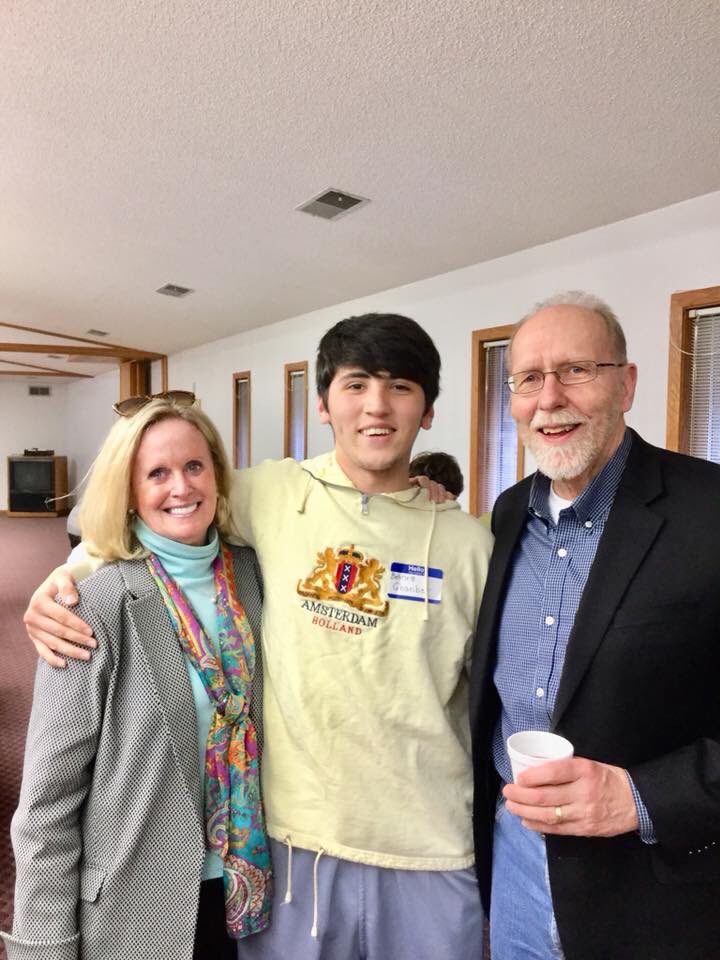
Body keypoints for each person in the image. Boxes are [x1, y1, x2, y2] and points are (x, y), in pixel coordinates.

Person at [22, 313, 494, 960]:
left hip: (412, 849)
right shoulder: (272, 495)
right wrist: (63, 579)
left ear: (429, 407)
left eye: (401, 387)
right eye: (356, 385)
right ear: (325, 404)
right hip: (285, 853)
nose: (377, 406)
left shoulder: (468, 543)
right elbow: (156, 512)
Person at [469, 291, 720, 960]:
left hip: (656, 900)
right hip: (515, 877)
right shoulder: (505, 513)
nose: (549, 397)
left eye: (576, 369)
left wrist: (639, 797)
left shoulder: (709, 511)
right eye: (528, 379)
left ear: (627, 383)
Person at [2, 397, 270, 960]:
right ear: (129, 492)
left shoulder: (253, 574)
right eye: (157, 473)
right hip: (136, 907)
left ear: (217, 474)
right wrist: (43, 949)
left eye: (194, 466)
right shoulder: (91, 603)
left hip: (251, 890)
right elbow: (47, 809)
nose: (181, 487)